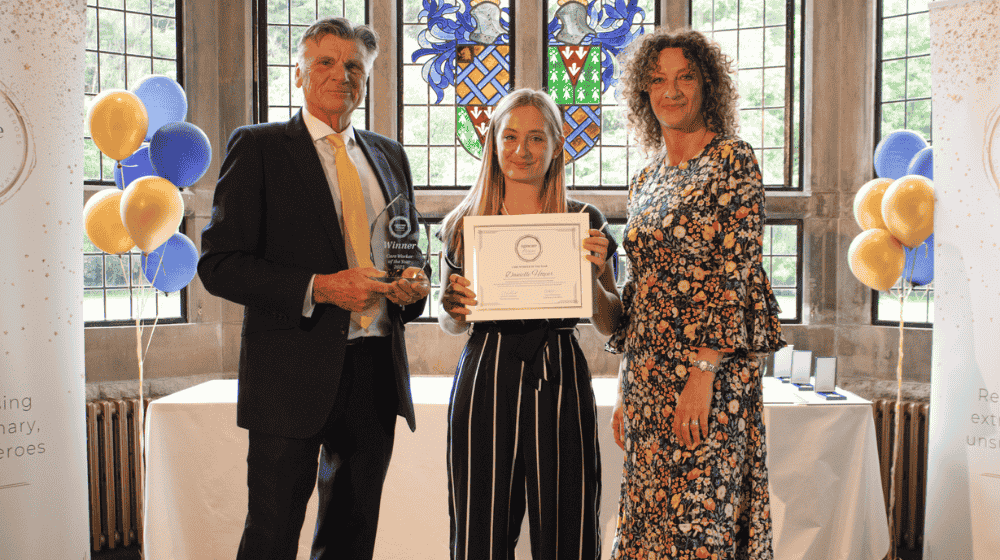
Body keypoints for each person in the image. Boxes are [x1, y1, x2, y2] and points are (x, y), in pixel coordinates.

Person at [197, 17, 429, 560]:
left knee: (351, 539)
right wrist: (320, 288)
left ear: (367, 78)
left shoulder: (390, 155)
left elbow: (406, 250)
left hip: (374, 373)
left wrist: (414, 285)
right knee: (272, 537)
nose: (340, 76)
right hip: (289, 376)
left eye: (354, 67)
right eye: (325, 62)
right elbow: (219, 264)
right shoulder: (259, 147)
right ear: (299, 73)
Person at [605, 28, 787, 559]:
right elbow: (640, 292)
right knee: (648, 526)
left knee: (700, 528)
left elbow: (737, 276)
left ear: (707, 84)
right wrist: (624, 387)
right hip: (647, 379)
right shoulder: (645, 179)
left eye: (685, 77)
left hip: (710, 377)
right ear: (643, 91)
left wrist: (702, 374)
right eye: (658, 79)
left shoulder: (733, 160)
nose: (672, 90)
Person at [438, 88, 623, 560]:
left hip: (559, 369)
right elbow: (451, 323)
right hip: (487, 369)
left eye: (537, 138)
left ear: (557, 145)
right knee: (480, 529)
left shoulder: (585, 220)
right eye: (511, 136)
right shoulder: (465, 222)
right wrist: (451, 307)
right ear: (493, 142)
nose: (522, 150)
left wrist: (593, 279)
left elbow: (611, 323)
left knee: (568, 529)